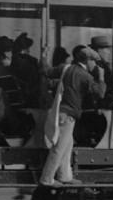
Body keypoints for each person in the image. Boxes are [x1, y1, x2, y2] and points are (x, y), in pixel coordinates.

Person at [39, 45, 105, 188]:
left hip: (62, 113)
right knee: (59, 148)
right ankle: (47, 178)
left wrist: (43, 56)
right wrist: (101, 77)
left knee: (67, 146)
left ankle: (64, 176)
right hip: (68, 116)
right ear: (88, 61)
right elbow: (100, 93)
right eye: (94, 61)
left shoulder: (66, 68)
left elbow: (46, 71)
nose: (95, 64)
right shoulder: (85, 76)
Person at [9, 33, 42, 107]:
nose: (29, 50)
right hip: (28, 96)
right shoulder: (29, 62)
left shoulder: (14, 61)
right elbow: (33, 79)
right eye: (28, 48)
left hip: (19, 95)